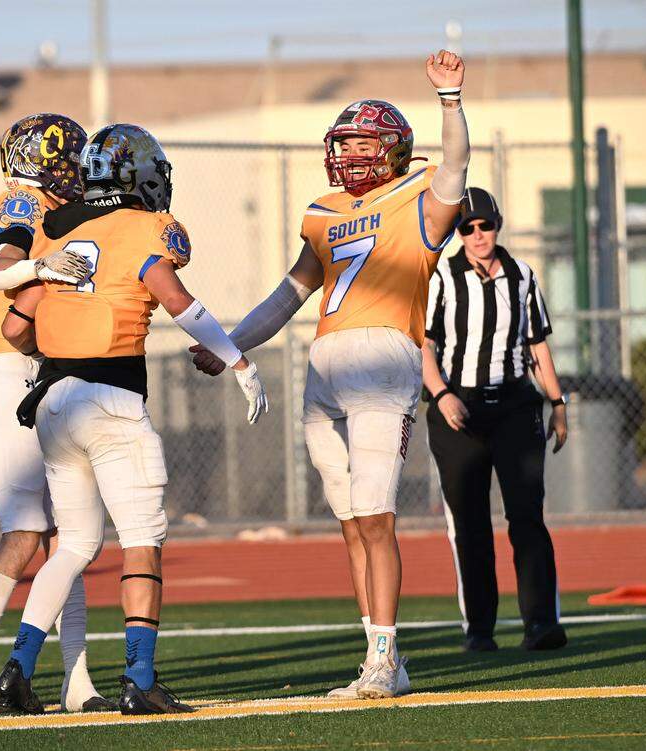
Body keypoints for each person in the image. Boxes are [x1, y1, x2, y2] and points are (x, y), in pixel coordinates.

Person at [192, 51, 471, 699]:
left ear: (395, 150)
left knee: (376, 516)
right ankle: (379, 656)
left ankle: (385, 657)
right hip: (325, 361)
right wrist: (232, 345)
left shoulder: (421, 197)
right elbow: (289, 293)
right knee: (349, 520)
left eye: (362, 144)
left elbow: (456, 162)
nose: (347, 156)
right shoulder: (322, 210)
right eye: (341, 143)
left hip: (384, 357)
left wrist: (450, 98)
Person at [0, 123, 268, 716]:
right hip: (111, 399)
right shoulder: (147, 228)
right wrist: (239, 361)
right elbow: (178, 301)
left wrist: (66, 342)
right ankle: (138, 678)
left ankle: (15, 672)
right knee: (142, 541)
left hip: (54, 400)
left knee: (75, 544)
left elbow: (15, 328)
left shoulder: (59, 226)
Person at [0, 113, 112, 715]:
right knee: (28, 529)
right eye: (64, 159)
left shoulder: (59, 211)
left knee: (71, 531)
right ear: (37, 161)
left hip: (40, 370)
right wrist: (40, 269)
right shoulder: (20, 197)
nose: (76, 170)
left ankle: (77, 679)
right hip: (7, 370)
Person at [423, 187, 569, 652]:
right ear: (457, 233)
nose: (478, 234)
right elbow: (422, 345)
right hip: (458, 408)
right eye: (467, 227)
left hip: (514, 406)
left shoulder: (523, 275)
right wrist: (442, 395)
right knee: (470, 524)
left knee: (527, 516)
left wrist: (558, 403)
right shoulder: (442, 277)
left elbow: (538, 344)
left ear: (497, 225)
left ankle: (541, 624)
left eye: (486, 224)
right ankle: (480, 631)